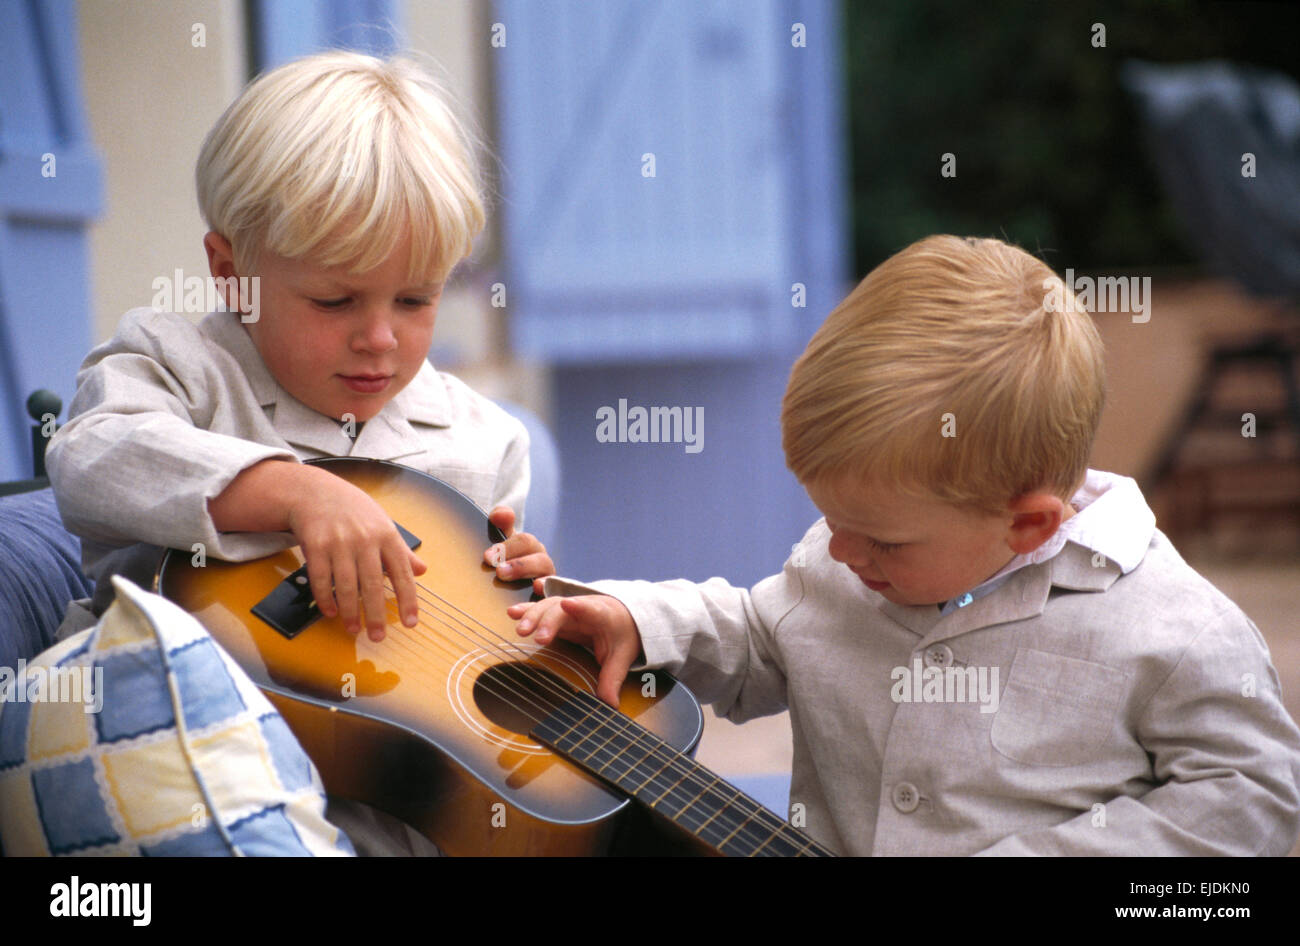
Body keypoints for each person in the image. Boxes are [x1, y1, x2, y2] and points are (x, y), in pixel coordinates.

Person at [510, 234, 1300, 856]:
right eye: (831, 520)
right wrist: (641, 621)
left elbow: (1254, 797)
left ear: (1028, 525)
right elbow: (759, 634)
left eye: (881, 540)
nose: (841, 553)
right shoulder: (851, 568)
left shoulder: (1172, 629)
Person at [46, 50, 554, 854]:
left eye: (417, 299)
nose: (380, 338)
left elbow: (470, 662)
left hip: (390, 792)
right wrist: (293, 492)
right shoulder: (177, 366)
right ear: (230, 271)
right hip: (185, 753)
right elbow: (93, 458)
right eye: (335, 299)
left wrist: (519, 600)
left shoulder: (482, 438)